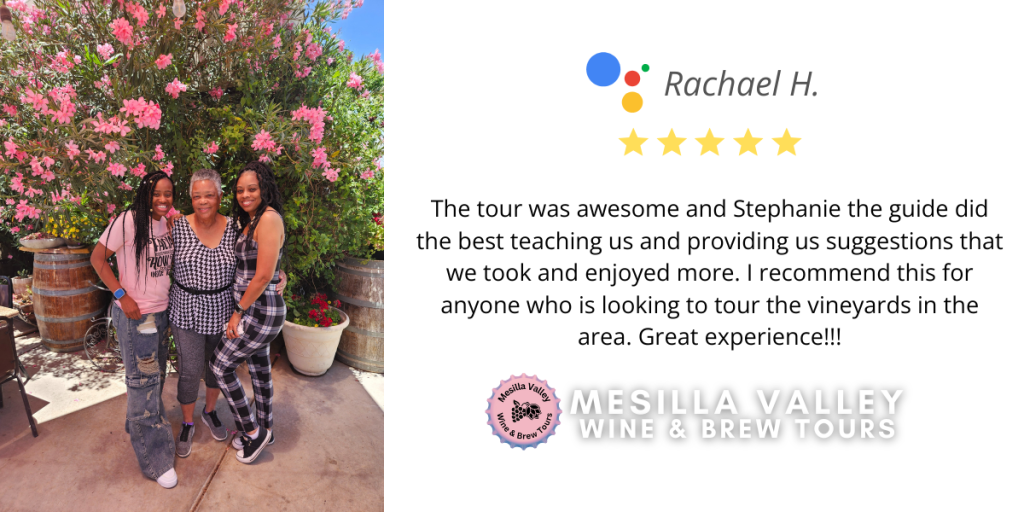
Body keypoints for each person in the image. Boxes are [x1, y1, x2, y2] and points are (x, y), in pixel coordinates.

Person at [169, 168, 287, 458]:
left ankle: (226, 420)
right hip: (188, 309)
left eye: (209, 194)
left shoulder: (242, 224)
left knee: (217, 367)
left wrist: (277, 275)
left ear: (220, 196)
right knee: (193, 370)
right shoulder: (177, 226)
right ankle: (192, 423)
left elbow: (263, 266)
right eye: (197, 196)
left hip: (230, 310)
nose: (203, 201)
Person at [90, 171, 178, 489]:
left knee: (155, 379)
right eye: (157, 194)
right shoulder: (127, 220)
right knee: (143, 382)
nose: (163, 200)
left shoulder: (169, 221)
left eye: (168, 194)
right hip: (137, 317)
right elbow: (98, 258)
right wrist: (120, 294)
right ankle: (154, 460)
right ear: (145, 193)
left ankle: (135, 424)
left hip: (161, 314)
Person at [211, 161, 286, 464]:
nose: (245, 194)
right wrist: (283, 274)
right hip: (255, 308)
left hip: (259, 311)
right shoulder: (252, 220)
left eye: (252, 188)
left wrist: (237, 312)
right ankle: (266, 428)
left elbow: (264, 274)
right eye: (240, 190)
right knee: (259, 370)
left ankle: (252, 432)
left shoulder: (268, 219)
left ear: (264, 188)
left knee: (220, 366)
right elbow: (271, 264)